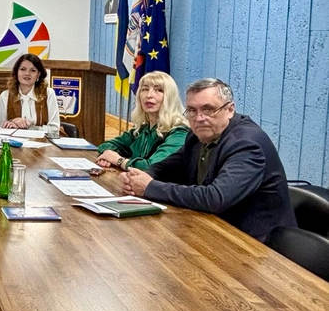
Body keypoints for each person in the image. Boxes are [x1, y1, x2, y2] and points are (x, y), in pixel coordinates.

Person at [122, 78, 297, 242]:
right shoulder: (198, 134)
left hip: (256, 246)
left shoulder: (246, 144)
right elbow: (171, 165)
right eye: (192, 110)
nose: (199, 118)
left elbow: (215, 198)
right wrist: (141, 176)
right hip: (213, 229)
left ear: (230, 109)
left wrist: (150, 187)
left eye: (208, 109)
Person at [96, 71, 189, 171]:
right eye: (145, 89)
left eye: (159, 90)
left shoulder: (180, 133)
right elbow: (106, 145)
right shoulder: (142, 129)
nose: (149, 95)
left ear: (170, 97)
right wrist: (108, 155)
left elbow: (153, 167)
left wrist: (118, 160)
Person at [0, 54, 60, 137]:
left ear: (38, 74)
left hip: (41, 143)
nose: (27, 73)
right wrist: (11, 124)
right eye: (23, 69)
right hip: (14, 142)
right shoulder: (5, 96)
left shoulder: (49, 94)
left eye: (33, 70)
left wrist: (29, 127)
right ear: (16, 72)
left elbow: (55, 130)